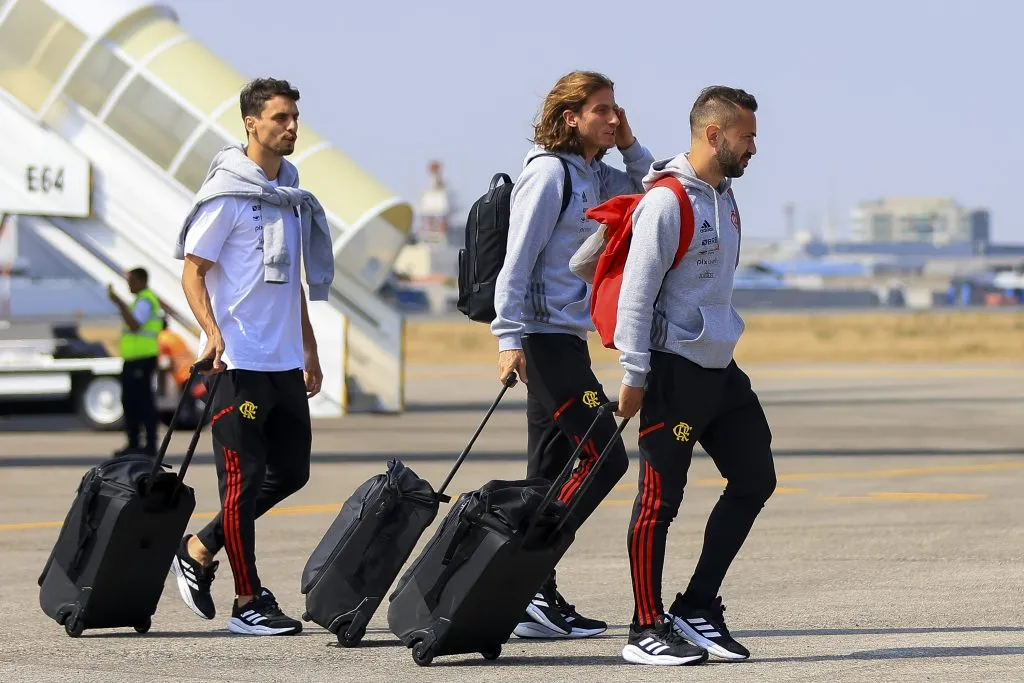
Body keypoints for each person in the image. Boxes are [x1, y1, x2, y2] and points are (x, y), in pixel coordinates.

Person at [613, 86, 776, 666]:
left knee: (756, 476)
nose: (754, 146)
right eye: (747, 136)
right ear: (715, 135)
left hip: (719, 367)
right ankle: (644, 626)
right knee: (660, 501)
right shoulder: (666, 202)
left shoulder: (724, 196)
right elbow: (635, 296)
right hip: (673, 371)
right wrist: (634, 373)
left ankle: (699, 606)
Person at [491, 70, 656, 639]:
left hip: (568, 338)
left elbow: (653, 186)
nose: (614, 118)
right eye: (603, 111)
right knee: (605, 458)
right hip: (541, 340)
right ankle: (528, 571)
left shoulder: (597, 175)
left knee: (548, 470)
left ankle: (531, 594)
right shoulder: (548, 176)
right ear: (571, 118)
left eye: (617, 110)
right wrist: (508, 338)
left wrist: (629, 142)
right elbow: (516, 262)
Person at [168, 77, 336, 636]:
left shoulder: (287, 196)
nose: (291, 127)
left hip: (284, 360)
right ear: (251, 124)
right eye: (281, 118)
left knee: (291, 472)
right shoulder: (227, 197)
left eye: (294, 118)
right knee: (242, 483)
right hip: (236, 363)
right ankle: (247, 602)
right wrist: (210, 332)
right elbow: (193, 271)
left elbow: (291, 286)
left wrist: (309, 351)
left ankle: (199, 546)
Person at [107, 267, 163, 457]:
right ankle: (137, 444)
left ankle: (145, 445)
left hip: (142, 359)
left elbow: (135, 325)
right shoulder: (142, 300)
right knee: (133, 401)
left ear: (141, 280)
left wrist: (119, 303)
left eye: (130, 281)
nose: (128, 285)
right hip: (136, 359)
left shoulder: (145, 300)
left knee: (141, 402)